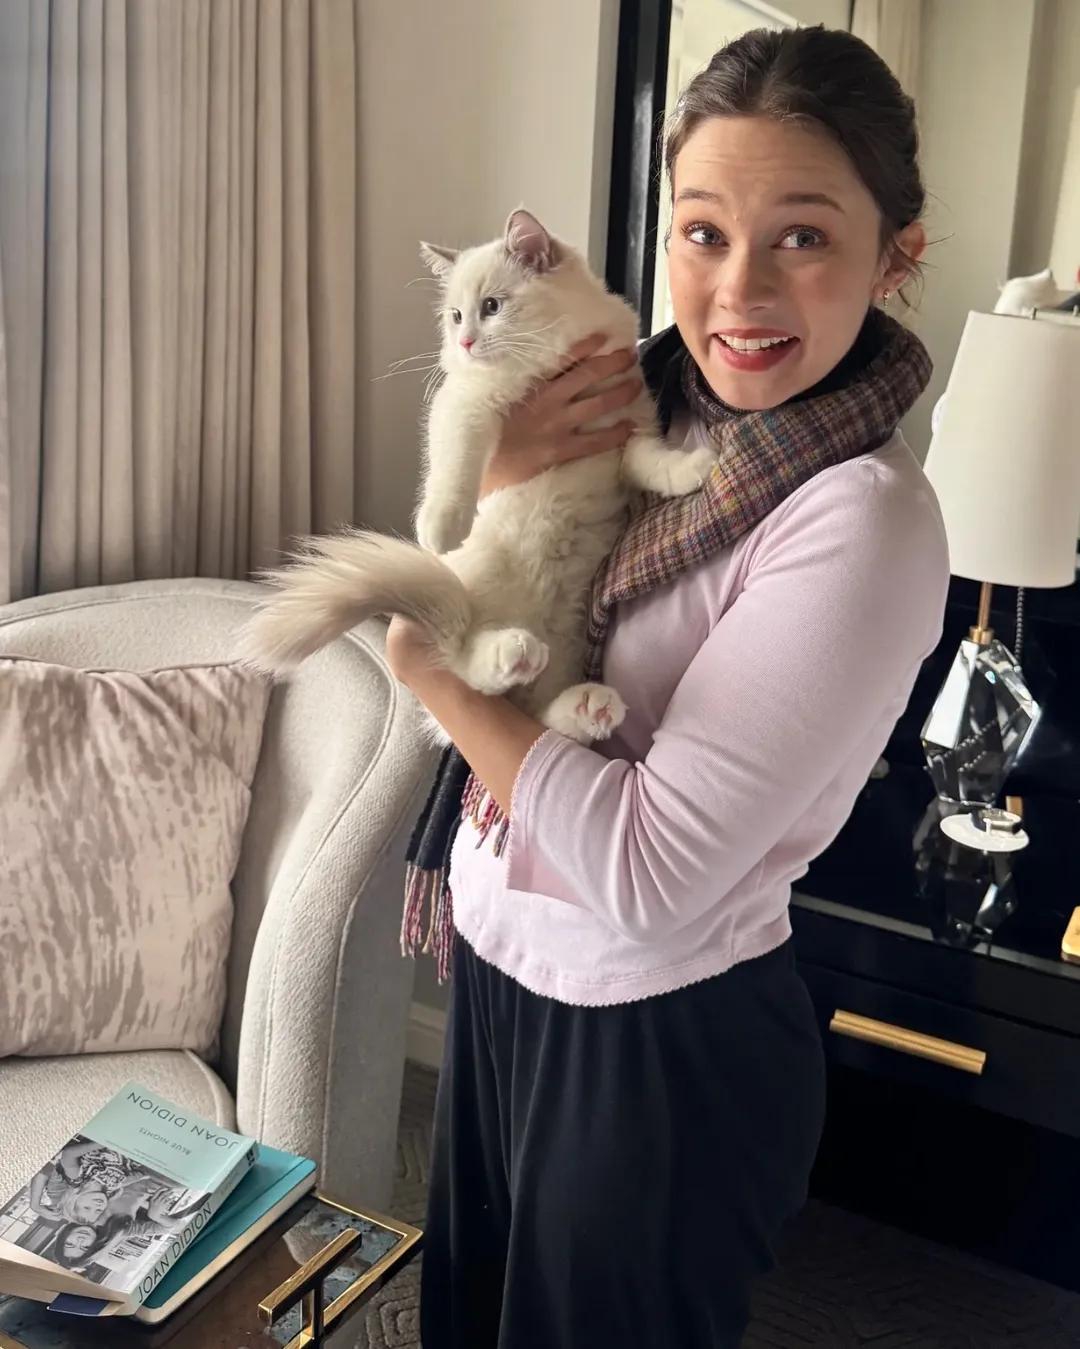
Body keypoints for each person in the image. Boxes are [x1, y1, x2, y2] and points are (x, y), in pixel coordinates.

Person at [388, 25, 949, 1349]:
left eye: (802, 236)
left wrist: (431, 674)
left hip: (653, 1042)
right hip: (506, 965)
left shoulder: (856, 518)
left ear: (896, 255)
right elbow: (500, 578)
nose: (739, 288)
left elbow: (646, 876)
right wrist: (505, 484)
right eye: (703, 232)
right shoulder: (636, 402)